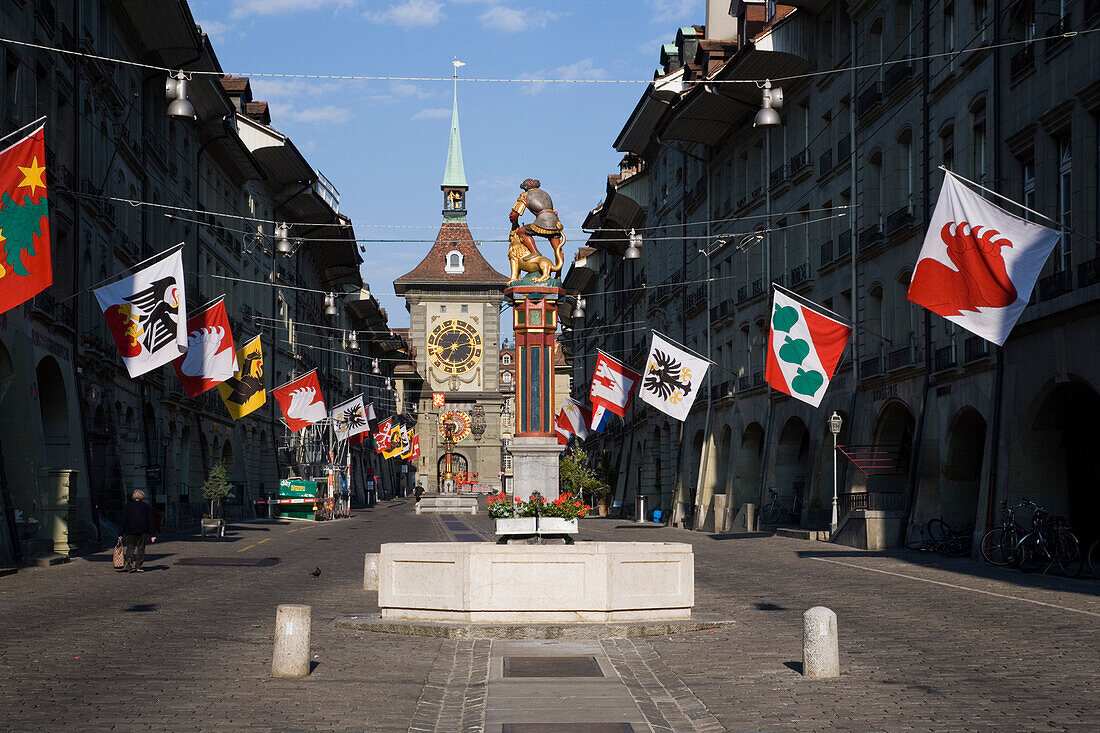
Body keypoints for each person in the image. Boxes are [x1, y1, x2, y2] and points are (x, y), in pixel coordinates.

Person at [118, 489, 156, 573]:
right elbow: (151, 521)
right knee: (141, 548)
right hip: (142, 530)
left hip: (130, 530)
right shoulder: (146, 506)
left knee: (130, 547)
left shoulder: (128, 506)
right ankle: (138, 565)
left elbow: (124, 520)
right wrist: (153, 534)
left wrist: (120, 533)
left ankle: (129, 560)